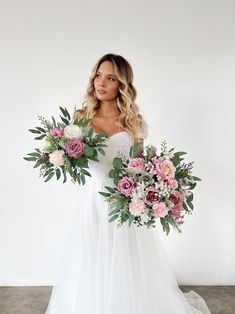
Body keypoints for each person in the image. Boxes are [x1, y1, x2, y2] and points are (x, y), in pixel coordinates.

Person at [45, 53, 211, 314]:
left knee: (127, 263)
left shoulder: (133, 122)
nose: (101, 82)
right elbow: (71, 158)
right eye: (98, 75)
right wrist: (60, 157)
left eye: (110, 78)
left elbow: (139, 167)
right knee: (91, 260)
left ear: (121, 85)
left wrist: (151, 190)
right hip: (93, 205)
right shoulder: (81, 118)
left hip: (124, 206)